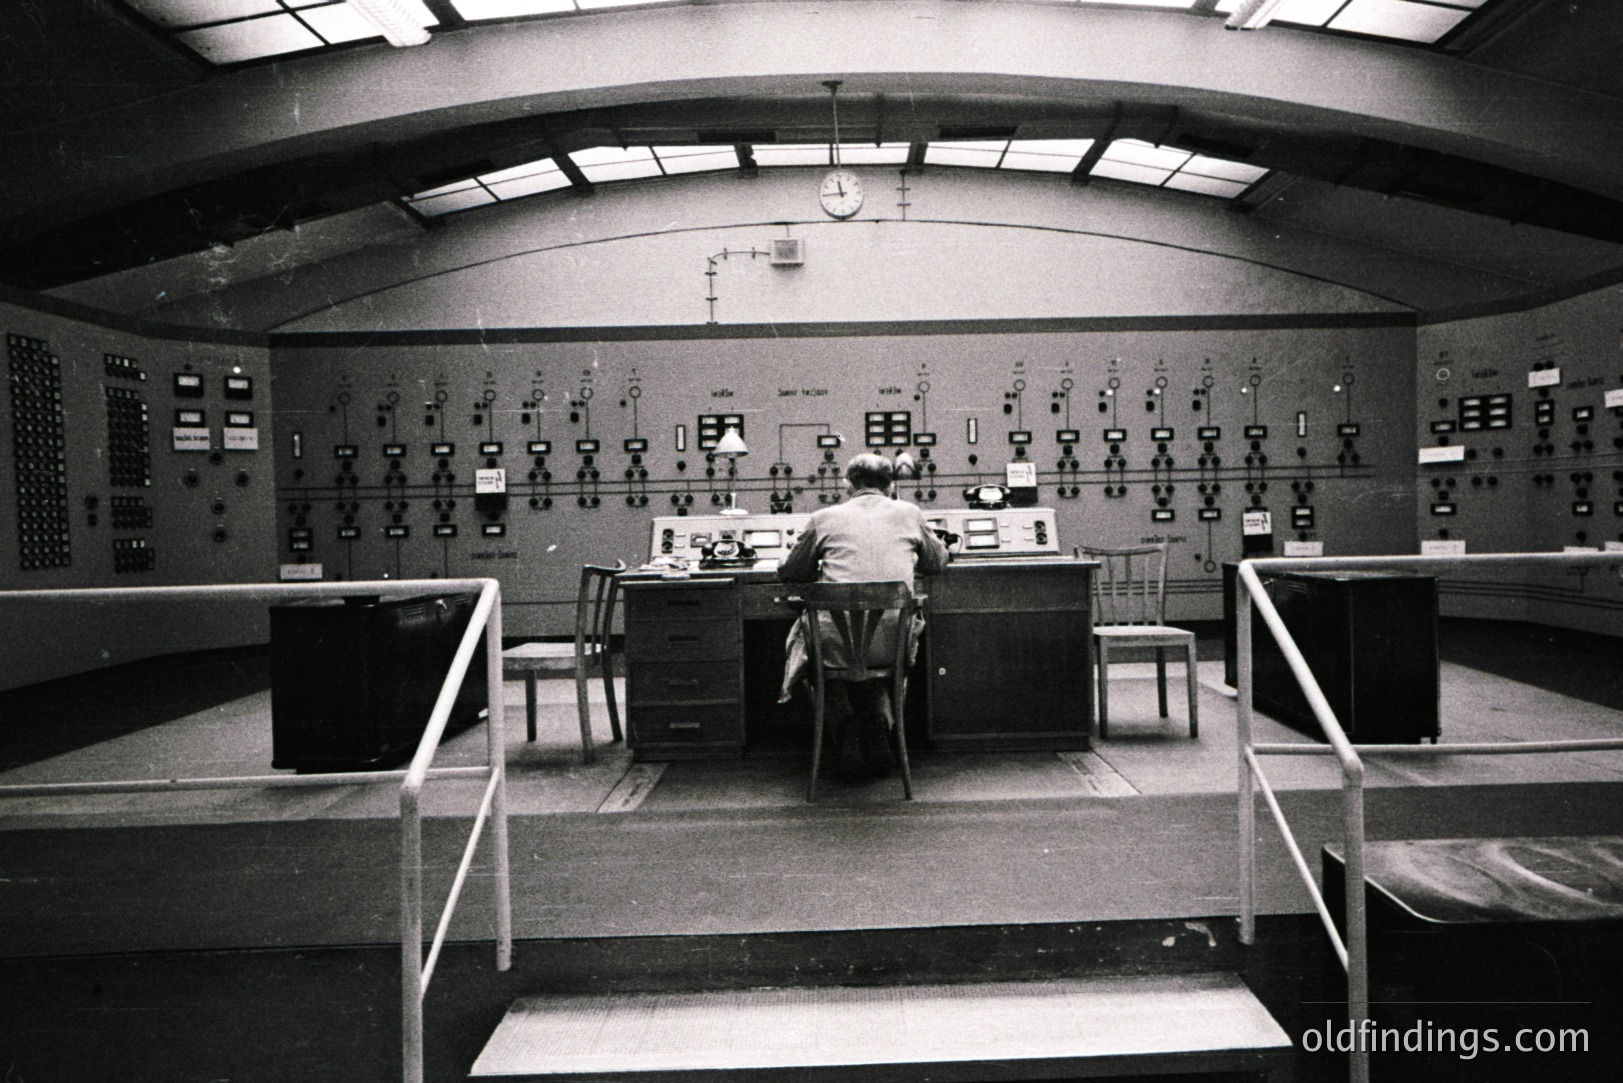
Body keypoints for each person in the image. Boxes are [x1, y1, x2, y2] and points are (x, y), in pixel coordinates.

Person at [778, 453, 950, 780]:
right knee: (882, 667)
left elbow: (792, 571)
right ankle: (879, 725)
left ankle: (846, 727)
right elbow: (936, 562)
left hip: (835, 648)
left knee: (818, 659)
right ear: (891, 484)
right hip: (891, 645)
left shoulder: (822, 517)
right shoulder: (910, 513)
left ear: (847, 483)